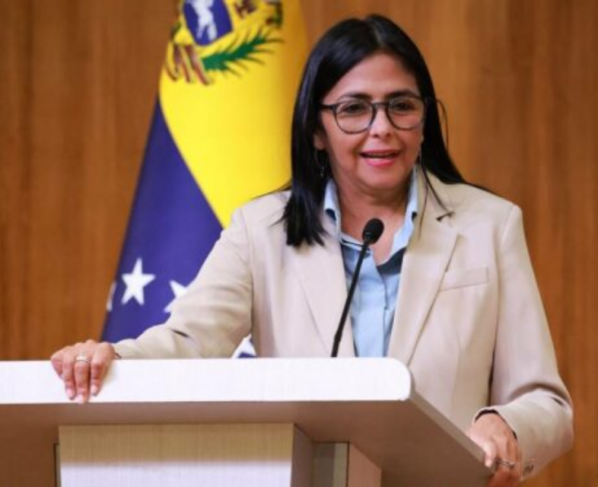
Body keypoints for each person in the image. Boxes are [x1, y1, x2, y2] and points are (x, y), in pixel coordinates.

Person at [51, 14, 573, 486]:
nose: (381, 129)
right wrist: (114, 357)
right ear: (317, 130)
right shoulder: (261, 231)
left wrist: (506, 425)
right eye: (354, 110)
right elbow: (187, 342)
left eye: (401, 106)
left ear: (424, 120)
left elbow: (546, 402)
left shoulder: (489, 225)